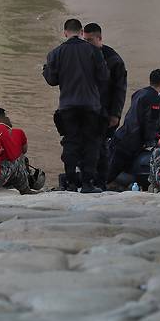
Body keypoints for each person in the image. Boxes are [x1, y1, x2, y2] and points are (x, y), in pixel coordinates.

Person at [43, 18, 109, 193]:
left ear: (65, 32)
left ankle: (71, 183)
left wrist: (45, 70)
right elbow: (104, 77)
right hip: (91, 105)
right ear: (81, 32)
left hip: (68, 106)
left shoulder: (55, 53)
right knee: (91, 143)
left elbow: (51, 80)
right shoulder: (93, 51)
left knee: (70, 143)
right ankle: (88, 184)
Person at [83, 23, 128, 189]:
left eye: (89, 40)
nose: (86, 43)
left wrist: (115, 114)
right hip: (86, 110)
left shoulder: (114, 60)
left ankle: (100, 182)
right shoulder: (84, 56)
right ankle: (86, 179)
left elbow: (120, 90)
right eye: (84, 40)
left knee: (101, 148)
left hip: (105, 112)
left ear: (99, 38)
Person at [107, 69, 160, 184]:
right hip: (131, 141)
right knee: (110, 173)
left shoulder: (140, 92)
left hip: (122, 134)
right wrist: (151, 142)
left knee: (109, 166)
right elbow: (151, 123)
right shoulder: (155, 99)